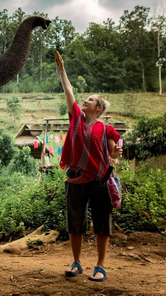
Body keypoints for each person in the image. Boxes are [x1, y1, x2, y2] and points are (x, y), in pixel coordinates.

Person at [55, 51, 122, 282]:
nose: (85, 101)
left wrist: (116, 152)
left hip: (99, 180)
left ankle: (100, 266)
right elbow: (69, 92)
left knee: (102, 222)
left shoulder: (106, 129)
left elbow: (112, 152)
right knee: (75, 223)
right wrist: (62, 71)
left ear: (99, 108)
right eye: (86, 99)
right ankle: (76, 263)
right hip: (75, 178)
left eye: (91, 100)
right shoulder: (75, 117)